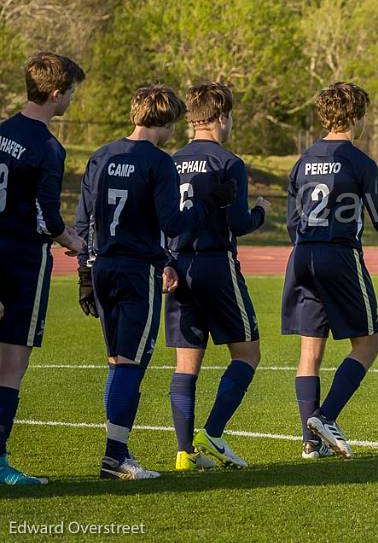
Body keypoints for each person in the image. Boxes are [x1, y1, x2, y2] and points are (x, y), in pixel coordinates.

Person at [76, 84, 235, 480]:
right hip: (136, 271)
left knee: (116, 362)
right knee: (130, 365)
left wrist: (83, 272)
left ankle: (116, 454)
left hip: (101, 268)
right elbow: (174, 224)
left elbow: (83, 222)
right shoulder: (157, 162)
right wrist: (207, 203)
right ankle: (115, 458)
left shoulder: (101, 156)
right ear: (163, 121)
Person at [282, 82, 378, 459]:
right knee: (367, 344)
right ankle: (326, 417)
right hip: (339, 255)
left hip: (302, 255)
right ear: (356, 117)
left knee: (310, 350)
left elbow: (293, 222)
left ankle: (310, 444)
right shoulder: (360, 162)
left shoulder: (303, 160)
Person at [165, 83, 270, 470]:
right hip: (215, 264)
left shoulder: (170, 161)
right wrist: (260, 211)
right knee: (247, 353)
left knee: (185, 364)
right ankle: (211, 432)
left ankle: (183, 453)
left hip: (176, 265)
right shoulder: (229, 162)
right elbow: (239, 223)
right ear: (222, 117)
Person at [0, 53, 87, 485]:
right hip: (20, 261)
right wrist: (72, 239)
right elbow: (47, 217)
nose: (72, 99)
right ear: (56, 94)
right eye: (71, 92)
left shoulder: (1, 132)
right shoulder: (47, 146)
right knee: (11, 364)